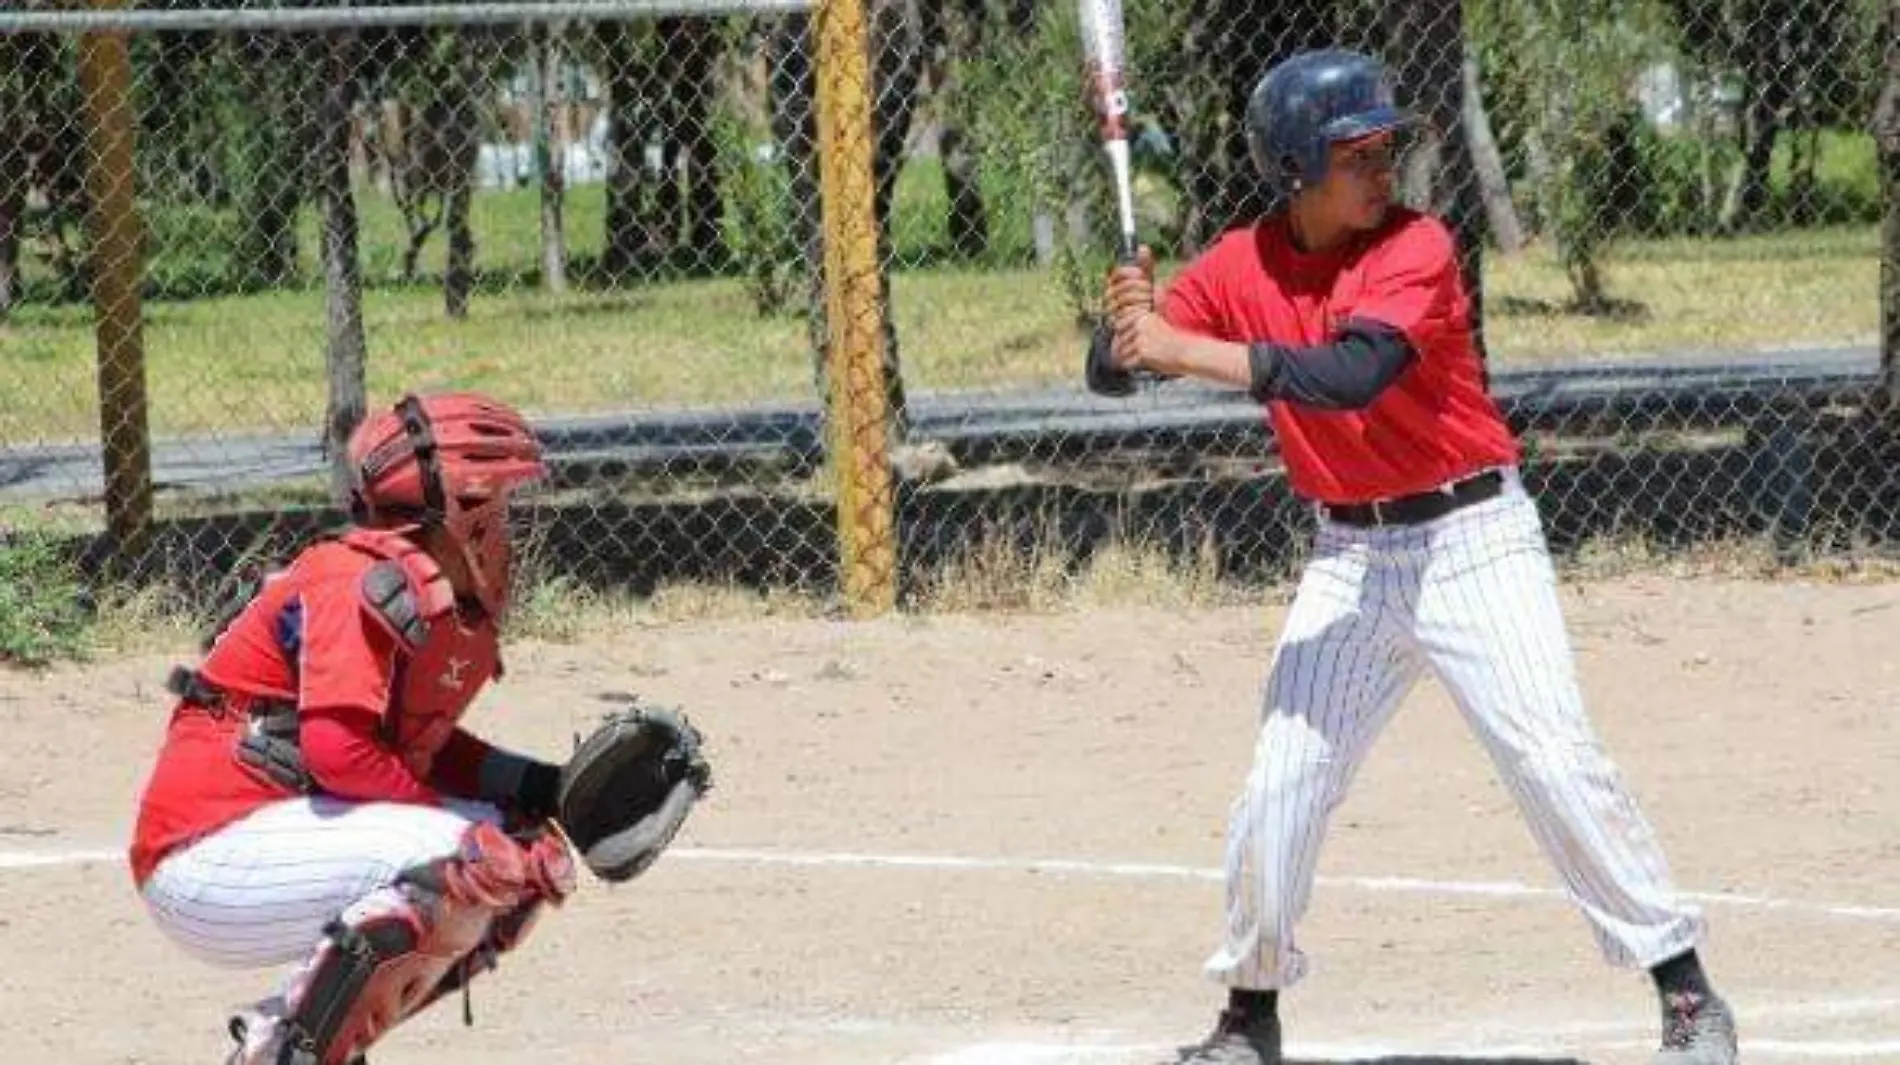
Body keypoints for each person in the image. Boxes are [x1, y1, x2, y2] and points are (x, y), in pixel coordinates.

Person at [1095, 48, 1740, 1065]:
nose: (1382, 165)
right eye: (1356, 151)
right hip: (1348, 555)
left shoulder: (1418, 245)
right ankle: (1247, 1020)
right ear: (1296, 165)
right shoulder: (1239, 261)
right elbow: (1117, 374)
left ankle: (1687, 993)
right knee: (1279, 786)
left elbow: (1347, 374)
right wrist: (1124, 324)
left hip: (1470, 542)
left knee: (1549, 756)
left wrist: (1184, 352)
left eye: (1387, 145)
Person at [128, 391, 578, 1065]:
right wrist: (456, 831)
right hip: (207, 854)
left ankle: (285, 1039)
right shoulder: (355, 576)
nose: (509, 528)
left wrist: (543, 785)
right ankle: (293, 1054)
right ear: (461, 511)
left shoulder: (395, 577)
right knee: (477, 858)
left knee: (521, 851)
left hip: (271, 840)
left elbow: (413, 749)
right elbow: (338, 752)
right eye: (498, 509)